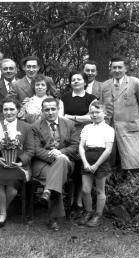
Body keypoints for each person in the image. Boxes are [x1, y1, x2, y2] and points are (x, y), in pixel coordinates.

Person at [0, 97, 34, 227]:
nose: (9, 112)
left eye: (12, 109)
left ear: (18, 110)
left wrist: (21, 162)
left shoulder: (26, 127)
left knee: (12, 188)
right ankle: (3, 214)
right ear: (2, 111)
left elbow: (30, 150)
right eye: (5, 109)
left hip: (17, 166)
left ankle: (1, 210)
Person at [32, 98, 79, 231]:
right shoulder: (35, 126)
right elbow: (35, 149)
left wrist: (60, 152)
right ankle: (53, 220)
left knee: (62, 161)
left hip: (66, 162)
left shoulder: (69, 124)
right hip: (43, 163)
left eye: (53, 109)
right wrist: (53, 156)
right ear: (42, 111)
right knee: (54, 178)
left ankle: (47, 192)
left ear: (58, 109)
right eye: (47, 109)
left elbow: (75, 145)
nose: (50, 112)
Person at [58, 71, 97, 218]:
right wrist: (80, 118)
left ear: (85, 82)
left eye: (79, 79)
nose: (75, 81)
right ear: (70, 82)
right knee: (71, 170)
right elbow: (60, 117)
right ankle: (70, 202)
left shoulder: (91, 98)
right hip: (68, 137)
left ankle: (79, 203)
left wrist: (72, 117)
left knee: (82, 170)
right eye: (73, 79)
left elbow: (92, 117)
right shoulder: (64, 98)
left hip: (86, 136)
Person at [102, 56, 139, 174]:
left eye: (120, 67)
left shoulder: (135, 82)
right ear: (111, 69)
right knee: (111, 162)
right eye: (114, 67)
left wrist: (136, 119)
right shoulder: (105, 85)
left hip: (131, 129)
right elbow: (102, 106)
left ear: (125, 68)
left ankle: (135, 188)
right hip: (110, 129)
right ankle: (114, 188)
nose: (117, 70)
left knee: (134, 163)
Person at [78, 100, 114, 227]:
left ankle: (98, 215)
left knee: (100, 190)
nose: (94, 115)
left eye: (97, 112)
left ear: (104, 113)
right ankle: (88, 212)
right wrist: (85, 162)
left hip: (101, 161)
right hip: (87, 160)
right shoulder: (86, 128)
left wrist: (97, 165)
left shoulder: (109, 129)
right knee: (85, 189)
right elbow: (81, 146)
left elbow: (108, 149)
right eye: (92, 112)